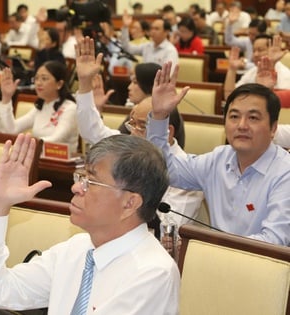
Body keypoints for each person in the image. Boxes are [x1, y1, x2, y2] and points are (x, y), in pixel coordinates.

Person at [0, 131, 179, 313]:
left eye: (91, 181)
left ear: (130, 203)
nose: (76, 188)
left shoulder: (152, 272)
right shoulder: (77, 248)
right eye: (80, 177)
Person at [147, 61, 290, 246]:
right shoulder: (219, 159)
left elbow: (274, 240)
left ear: (273, 128)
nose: (242, 125)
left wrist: (211, 249)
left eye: (253, 118)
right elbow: (165, 170)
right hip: (214, 262)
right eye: (234, 116)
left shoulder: (285, 172)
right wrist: (159, 116)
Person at [75, 37, 201, 227]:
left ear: (167, 132)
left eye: (141, 125)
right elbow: (91, 131)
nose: (133, 131)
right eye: (131, 123)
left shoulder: (185, 174)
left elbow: (169, 226)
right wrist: (85, 84)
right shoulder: (129, 147)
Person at [0, 61, 79, 154]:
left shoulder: (70, 108)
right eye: (36, 78)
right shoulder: (40, 107)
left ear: (59, 84)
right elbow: (12, 129)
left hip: (61, 164)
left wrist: (25, 143)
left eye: (44, 79)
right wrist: (6, 98)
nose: (38, 83)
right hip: (37, 158)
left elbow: (56, 139)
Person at [224, 34, 290, 99]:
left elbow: (278, 103)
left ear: (273, 50)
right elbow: (230, 97)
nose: (255, 54)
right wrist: (232, 69)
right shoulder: (252, 71)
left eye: (260, 50)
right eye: (254, 51)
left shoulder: (285, 74)